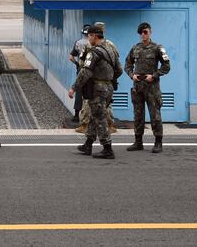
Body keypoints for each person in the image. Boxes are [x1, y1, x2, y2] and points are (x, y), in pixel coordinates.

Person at [68, 24, 123, 159]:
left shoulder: (94, 52)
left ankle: (107, 148)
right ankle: (88, 144)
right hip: (108, 88)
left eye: (89, 36)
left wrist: (74, 87)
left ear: (94, 36)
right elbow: (119, 70)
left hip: (97, 89)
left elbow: (85, 72)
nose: (88, 39)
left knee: (100, 117)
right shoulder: (110, 49)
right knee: (94, 115)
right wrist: (109, 80)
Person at [124, 22, 170, 153]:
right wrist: (132, 75)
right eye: (141, 33)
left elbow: (166, 66)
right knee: (138, 115)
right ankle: (138, 142)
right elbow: (127, 65)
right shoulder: (135, 48)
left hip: (152, 87)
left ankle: (158, 142)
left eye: (145, 32)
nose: (143, 35)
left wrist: (154, 75)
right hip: (138, 86)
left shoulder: (157, 48)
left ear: (150, 32)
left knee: (155, 115)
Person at [68, 25, 90, 129]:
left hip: (80, 70)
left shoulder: (78, 43)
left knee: (79, 91)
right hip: (91, 71)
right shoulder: (93, 43)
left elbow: (71, 57)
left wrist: (77, 63)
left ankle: (77, 115)